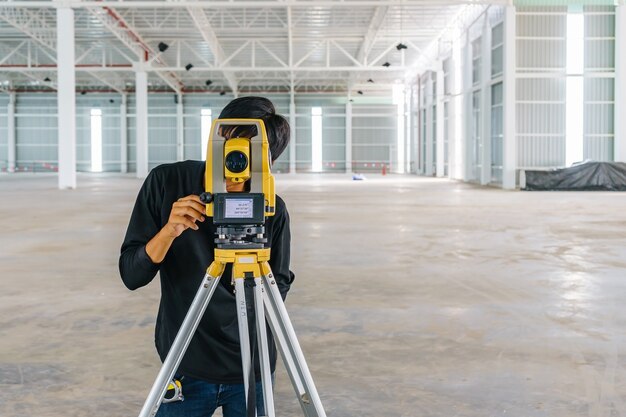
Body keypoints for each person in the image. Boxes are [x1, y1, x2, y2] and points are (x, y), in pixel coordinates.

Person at [119, 96, 294, 417]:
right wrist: (169, 231)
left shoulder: (272, 208)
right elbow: (132, 274)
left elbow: (276, 289)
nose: (236, 162)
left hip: (250, 367)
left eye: (249, 154)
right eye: (229, 147)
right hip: (185, 363)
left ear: (268, 161)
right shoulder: (167, 183)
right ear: (217, 138)